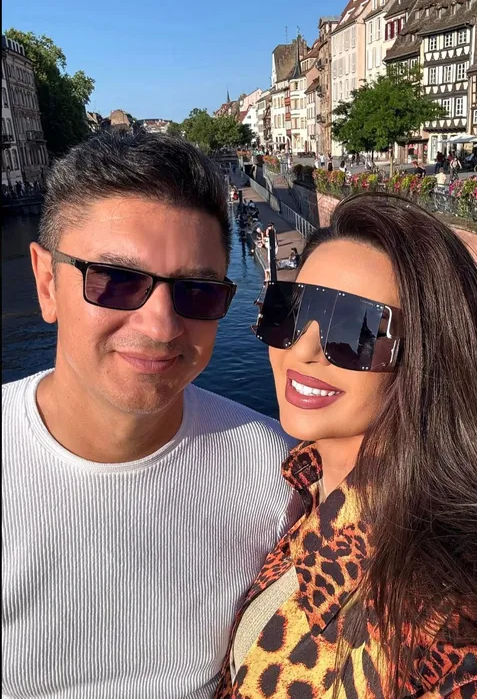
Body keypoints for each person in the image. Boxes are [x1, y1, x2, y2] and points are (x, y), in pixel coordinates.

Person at [2, 132, 302, 698]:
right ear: (46, 283)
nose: (162, 326)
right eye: (116, 281)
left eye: (198, 291)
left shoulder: (283, 476)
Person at [217, 193, 477, 697]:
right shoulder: (309, 487)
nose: (302, 350)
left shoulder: (454, 621)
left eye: (354, 329)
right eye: (291, 312)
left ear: (427, 361)